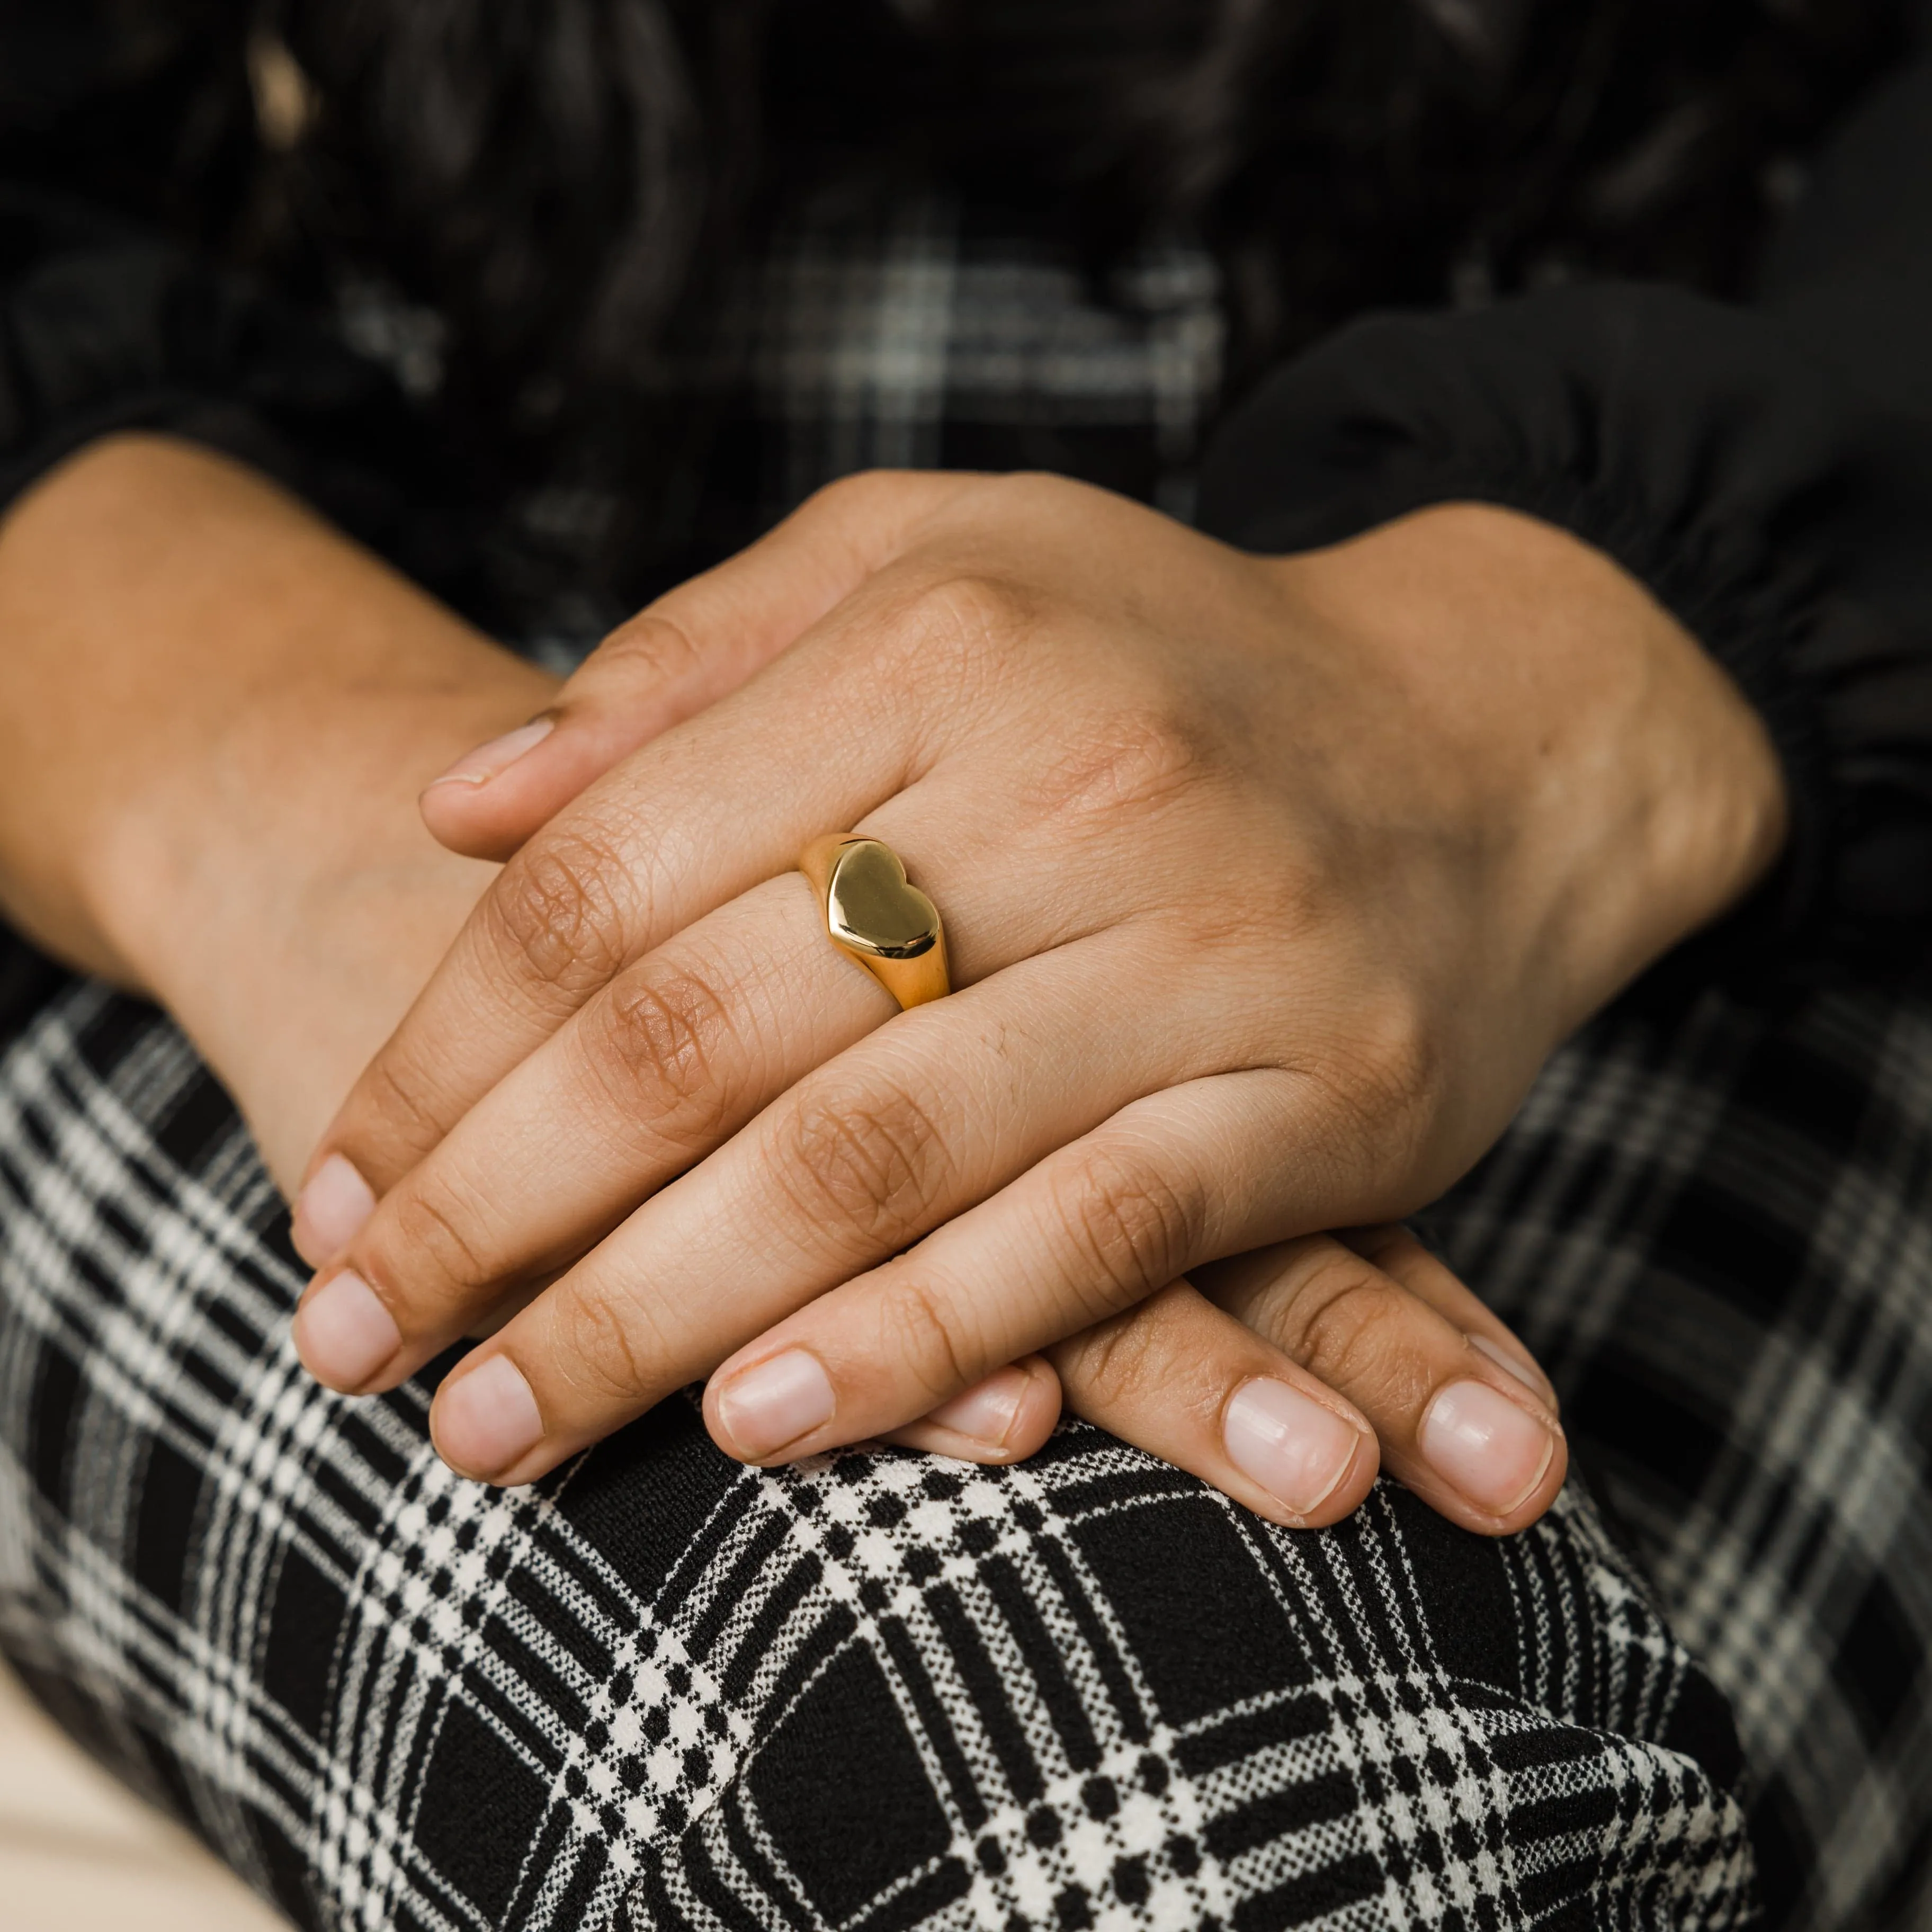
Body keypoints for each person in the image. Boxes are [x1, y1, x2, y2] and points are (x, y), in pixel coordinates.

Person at [0, 3, 1927, 1927]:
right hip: (305, 663)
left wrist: (1566, 680)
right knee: (1090, 1773)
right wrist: (273, 771)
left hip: (1760, 739)